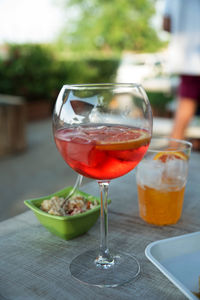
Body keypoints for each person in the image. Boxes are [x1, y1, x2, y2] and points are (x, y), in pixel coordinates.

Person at [163, 0, 200, 140]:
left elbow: (166, 24)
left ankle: (172, 158)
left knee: (183, 113)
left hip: (188, 57)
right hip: (192, 58)